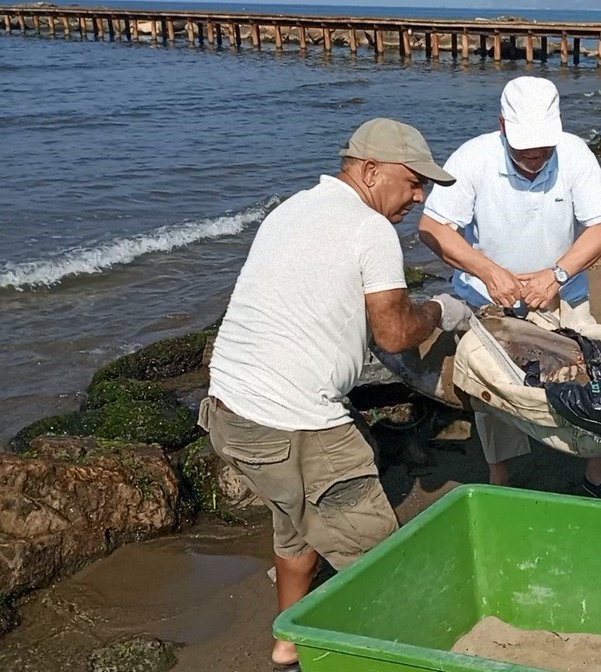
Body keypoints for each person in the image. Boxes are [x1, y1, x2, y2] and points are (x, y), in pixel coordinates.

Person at [200, 118, 472, 672]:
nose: (419, 196)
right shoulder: (369, 229)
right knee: (382, 559)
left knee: (293, 521)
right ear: (370, 171)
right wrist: (443, 309)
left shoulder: (291, 208)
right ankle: (396, 657)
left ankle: (287, 643)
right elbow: (393, 332)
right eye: (414, 181)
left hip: (230, 411)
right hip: (297, 420)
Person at [417, 76, 601, 501]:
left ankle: (597, 468)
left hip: (562, 290)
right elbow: (432, 227)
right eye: (523, 148)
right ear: (502, 125)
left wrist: (558, 274)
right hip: (489, 297)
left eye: (542, 147)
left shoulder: (574, 154)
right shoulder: (473, 158)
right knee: (493, 390)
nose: (534, 157)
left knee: (589, 372)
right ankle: (502, 479)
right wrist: (489, 271)